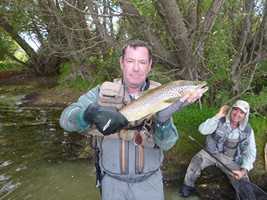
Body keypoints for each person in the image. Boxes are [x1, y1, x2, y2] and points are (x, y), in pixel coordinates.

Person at [59, 39, 204, 200]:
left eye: (142, 62)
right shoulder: (100, 92)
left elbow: (166, 144)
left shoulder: (162, 93)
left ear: (149, 65)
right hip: (112, 185)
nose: (136, 68)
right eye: (130, 61)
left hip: (149, 185)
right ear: (121, 63)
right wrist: (88, 114)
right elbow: (65, 120)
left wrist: (164, 121)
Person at [179, 100, 257, 199]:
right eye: (235, 110)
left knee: (243, 182)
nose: (237, 114)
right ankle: (186, 190)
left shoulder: (248, 131)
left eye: (241, 112)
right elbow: (202, 130)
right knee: (196, 161)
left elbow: (251, 152)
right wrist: (218, 116)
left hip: (230, 160)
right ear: (231, 110)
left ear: (245, 115)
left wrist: (243, 171)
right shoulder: (219, 120)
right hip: (210, 153)